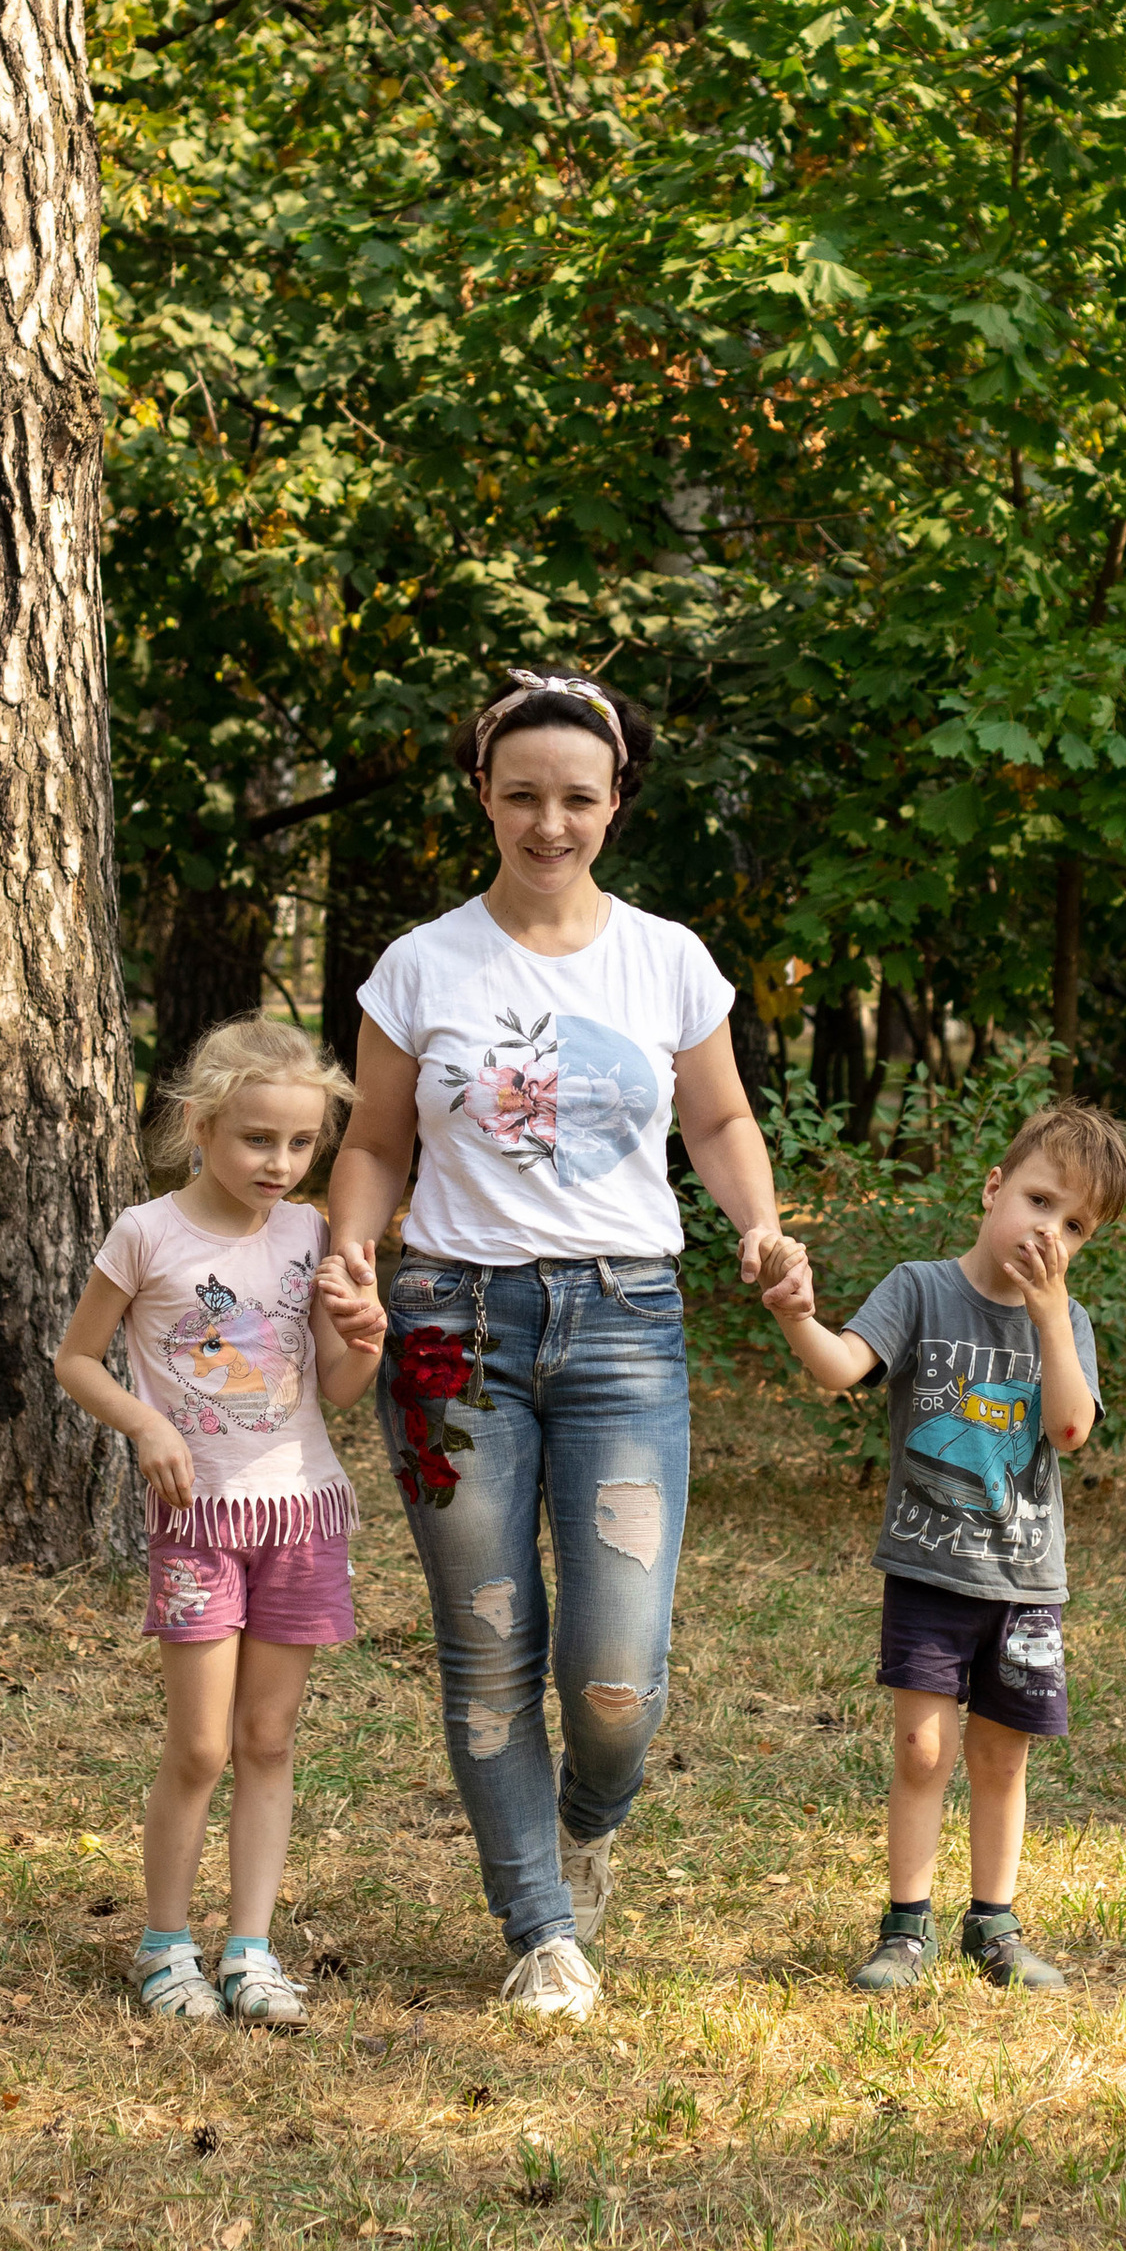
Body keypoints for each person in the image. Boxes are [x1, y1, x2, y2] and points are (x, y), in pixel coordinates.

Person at [320, 668, 799, 2023]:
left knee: (612, 1673)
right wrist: (351, 1254)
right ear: (484, 794)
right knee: (484, 1643)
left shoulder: (666, 958)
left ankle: (592, 1814)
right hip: (446, 1335)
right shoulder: (421, 966)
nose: (549, 823)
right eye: (521, 795)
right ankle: (539, 1931)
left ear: (616, 803)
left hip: (627, 1328)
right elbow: (375, 1143)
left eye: (576, 798)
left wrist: (758, 1227)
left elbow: (716, 1125)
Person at [761, 1096, 1126, 1993]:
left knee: (1002, 1753)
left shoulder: (1066, 1324)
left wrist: (1050, 1318)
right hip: (931, 1569)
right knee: (923, 1749)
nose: (1051, 1232)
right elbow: (841, 1369)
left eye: (1076, 1225)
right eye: (1041, 1202)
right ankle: (906, 1927)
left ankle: (994, 1925)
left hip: (1023, 1581)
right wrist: (793, 1316)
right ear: (994, 1187)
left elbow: (1071, 1430)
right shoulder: (921, 1288)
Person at [55, 1019, 383, 2029]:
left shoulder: (311, 1234)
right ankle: (165, 1947)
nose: (278, 1164)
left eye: (298, 1144)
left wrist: (366, 1336)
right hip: (199, 1523)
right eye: (256, 1140)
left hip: (302, 1512)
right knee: (200, 1745)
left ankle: (249, 1948)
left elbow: (334, 1382)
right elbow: (75, 1360)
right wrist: (145, 1422)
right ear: (201, 1127)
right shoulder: (146, 1234)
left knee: (268, 1738)